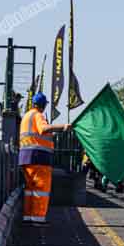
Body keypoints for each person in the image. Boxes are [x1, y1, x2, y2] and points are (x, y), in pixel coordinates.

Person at [19, 92, 70, 224]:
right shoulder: (38, 115)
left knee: (30, 189)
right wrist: (62, 127)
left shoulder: (26, 116)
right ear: (43, 105)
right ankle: (38, 218)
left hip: (26, 157)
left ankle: (28, 216)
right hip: (39, 157)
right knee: (41, 188)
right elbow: (43, 129)